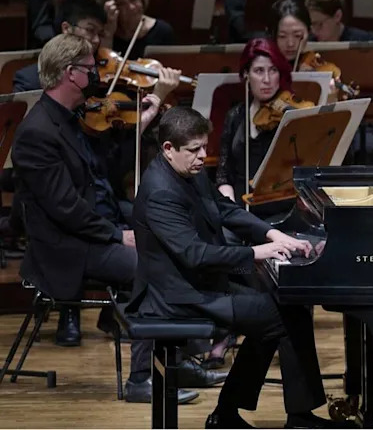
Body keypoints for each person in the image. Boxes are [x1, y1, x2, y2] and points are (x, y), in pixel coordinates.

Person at [10, 34, 212, 403]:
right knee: (149, 265)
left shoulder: (72, 118)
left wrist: (146, 122)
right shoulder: (36, 133)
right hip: (64, 247)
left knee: (174, 239)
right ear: (71, 74)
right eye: (90, 69)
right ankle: (141, 380)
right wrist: (119, 236)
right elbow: (65, 209)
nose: (97, 77)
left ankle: (178, 359)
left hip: (92, 232)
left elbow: (102, 177)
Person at [127, 106, 329, 429]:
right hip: (180, 294)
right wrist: (259, 253)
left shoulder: (186, 173)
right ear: (168, 149)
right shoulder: (160, 193)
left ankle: (242, 413)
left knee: (290, 302)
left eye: (204, 147)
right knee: (280, 317)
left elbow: (223, 207)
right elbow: (195, 254)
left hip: (202, 280)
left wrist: (271, 232)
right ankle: (253, 414)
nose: (202, 156)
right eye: (194, 150)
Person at [216, 38, 315, 220]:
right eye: (259, 71)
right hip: (242, 210)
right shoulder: (235, 116)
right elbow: (224, 174)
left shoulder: (292, 117)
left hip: (286, 213)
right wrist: (230, 209)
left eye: (273, 70)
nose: (267, 80)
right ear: (246, 74)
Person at [15, 0, 103, 93]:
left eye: (100, 33)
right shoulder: (29, 81)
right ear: (66, 28)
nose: (97, 40)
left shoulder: (95, 76)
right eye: (90, 30)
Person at [94, 0, 175, 59]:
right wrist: (108, 35)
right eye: (121, 3)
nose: (131, 7)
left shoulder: (163, 32)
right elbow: (103, 70)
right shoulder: (98, 34)